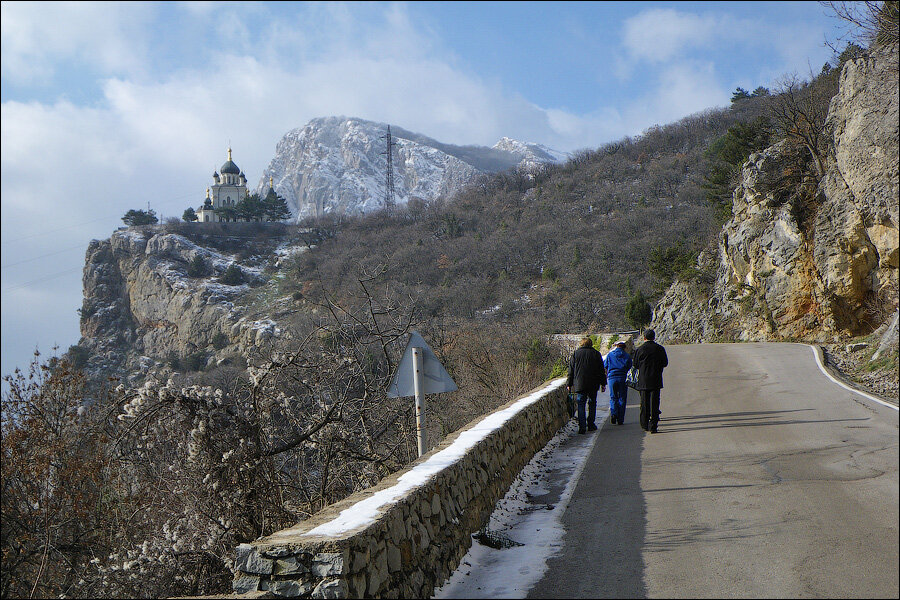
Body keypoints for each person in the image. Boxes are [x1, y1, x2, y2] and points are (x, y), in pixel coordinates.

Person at [566, 337, 607, 434]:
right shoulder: (596, 354)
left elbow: (571, 370)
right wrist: (603, 383)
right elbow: (601, 370)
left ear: (581, 344)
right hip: (593, 383)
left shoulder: (576, 354)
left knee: (581, 404)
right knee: (592, 403)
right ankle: (591, 424)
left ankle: (582, 427)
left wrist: (569, 383)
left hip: (580, 384)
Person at [632, 329, 668, 433]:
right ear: (654, 337)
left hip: (643, 380)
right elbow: (665, 363)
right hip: (656, 380)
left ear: (644, 338)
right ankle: (653, 425)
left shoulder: (640, 349)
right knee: (655, 403)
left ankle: (644, 424)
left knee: (644, 403)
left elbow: (635, 365)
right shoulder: (660, 349)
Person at [604, 339, 632, 425]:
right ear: (624, 348)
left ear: (616, 346)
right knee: (622, 398)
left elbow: (605, 365)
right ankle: (620, 419)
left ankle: (614, 413)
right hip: (622, 377)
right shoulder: (627, 356)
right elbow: (629, 366)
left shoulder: (610, 355)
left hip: (612, 377)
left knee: (613, 397)